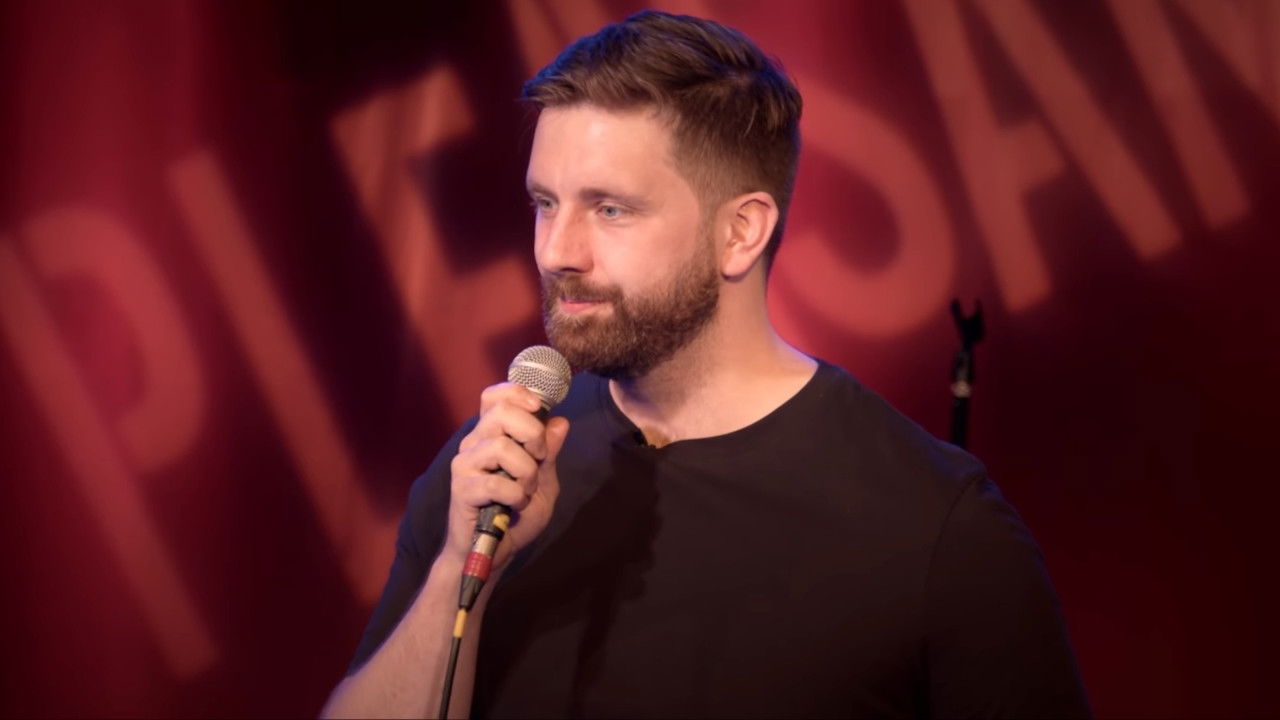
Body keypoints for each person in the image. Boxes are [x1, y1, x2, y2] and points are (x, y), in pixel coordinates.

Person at [322, 10, 1090, 719]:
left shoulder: (935, 527)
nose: (557, 251)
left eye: (610, 208)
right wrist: (461, 569)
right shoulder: (493, 471)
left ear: (741, 233)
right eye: (545, 203)